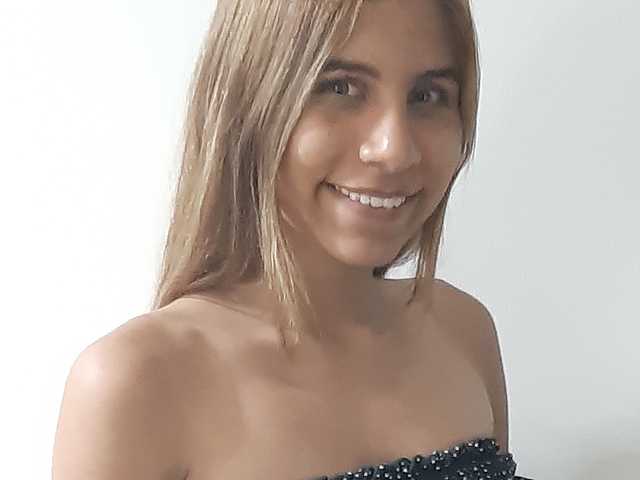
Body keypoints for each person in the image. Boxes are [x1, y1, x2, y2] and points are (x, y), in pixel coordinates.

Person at [52, 0, 533, 479]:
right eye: (340, 88)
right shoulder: (136, 383)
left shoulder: (463, 331)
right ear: (249, 102)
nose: (393, 150)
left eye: (427, 96)